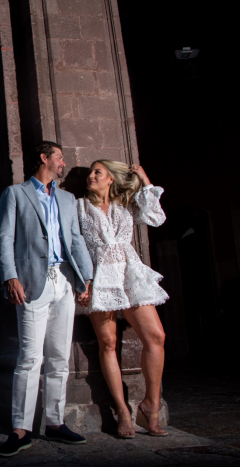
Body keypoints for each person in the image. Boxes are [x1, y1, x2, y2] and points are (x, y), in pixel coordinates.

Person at [0, 141, 94, 457]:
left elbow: (75, 239)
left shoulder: (67, 199)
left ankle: (54, 422)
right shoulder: (15, 194)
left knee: (60, 356)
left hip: (64, 280)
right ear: (44, 158)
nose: (63, 163)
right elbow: (4, 237)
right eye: (60, 157)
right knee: (29, 357)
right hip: (31, 283)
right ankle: (21, 430)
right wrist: (10, 277)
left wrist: (85, 278)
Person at [76, 160, 168, 438]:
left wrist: (145, 179)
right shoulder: (79, 207)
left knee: (156, 337)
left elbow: (156, 217)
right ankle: (123, 412)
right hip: (99, 278)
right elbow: (73, 244)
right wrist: (84, 282)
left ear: (111, 180)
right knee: (108, 343)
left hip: (129, 275)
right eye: (91, 172)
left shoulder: (125, 206)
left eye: (97, 172)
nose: (91, 176)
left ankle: (150, 405)